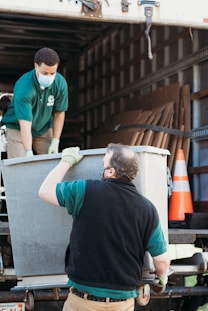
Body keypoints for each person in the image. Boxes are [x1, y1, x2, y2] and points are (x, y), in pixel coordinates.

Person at [39, 143, 170, 311]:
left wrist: (67, 161)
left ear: (110, 172)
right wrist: (162, 278)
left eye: (103, 165)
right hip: (122, 305)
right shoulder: (147, 209)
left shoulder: (84, 190)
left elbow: (45, 191)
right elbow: (161, 260)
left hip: (82, 302)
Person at [1, 47, 68, 158]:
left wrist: (55, 141)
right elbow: (25, 123)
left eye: (52, 73)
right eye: (45, 73)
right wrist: (28, 151)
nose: (49, 77)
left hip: (44, 127)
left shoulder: (60, 83)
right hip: (18, 127)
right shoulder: (24, 87)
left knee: (51, 163)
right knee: (20, 165)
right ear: (36, 66)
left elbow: (59, 112)